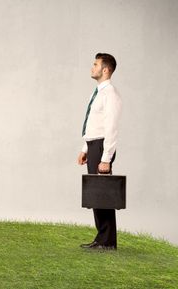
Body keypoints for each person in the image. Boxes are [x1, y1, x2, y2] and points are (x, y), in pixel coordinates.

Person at [77, 53, 122, 250]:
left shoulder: (110, 94)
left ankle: (108, 241)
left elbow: (111, 128)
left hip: (103, 147)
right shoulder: (97, 93)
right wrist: (85, 148)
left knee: (103, 194)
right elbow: (94, 124)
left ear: (105, 70)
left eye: (95, 64)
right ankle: (101, 238)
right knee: (97, 194)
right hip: (94, 145)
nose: (92, 67)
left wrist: (106, 158)